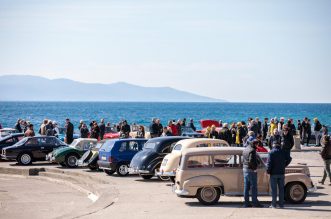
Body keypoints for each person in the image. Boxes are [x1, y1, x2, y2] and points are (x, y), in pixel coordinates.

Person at [267, 137, 292, 208]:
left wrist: (268, 171)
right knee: (281, 190)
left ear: (273, 145)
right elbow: (289, 159)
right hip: (281, 173)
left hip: (273, 173)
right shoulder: (283, 151)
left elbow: (269, 163)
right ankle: (281, 205)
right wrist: (284, 165)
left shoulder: (271, 152)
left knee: (274, 190)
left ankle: (273, 204)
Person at [242, 139, 263, 208]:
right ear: (255, 144)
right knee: (254, 187)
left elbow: (244, 159)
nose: (257, 146)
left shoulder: (245, 149)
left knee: (246, 187)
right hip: (251, 170)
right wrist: (254, 168)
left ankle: (246, 203)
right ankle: (255, 203)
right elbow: (251, 160)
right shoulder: (252, 150)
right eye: (257, 145)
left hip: (245, 170)